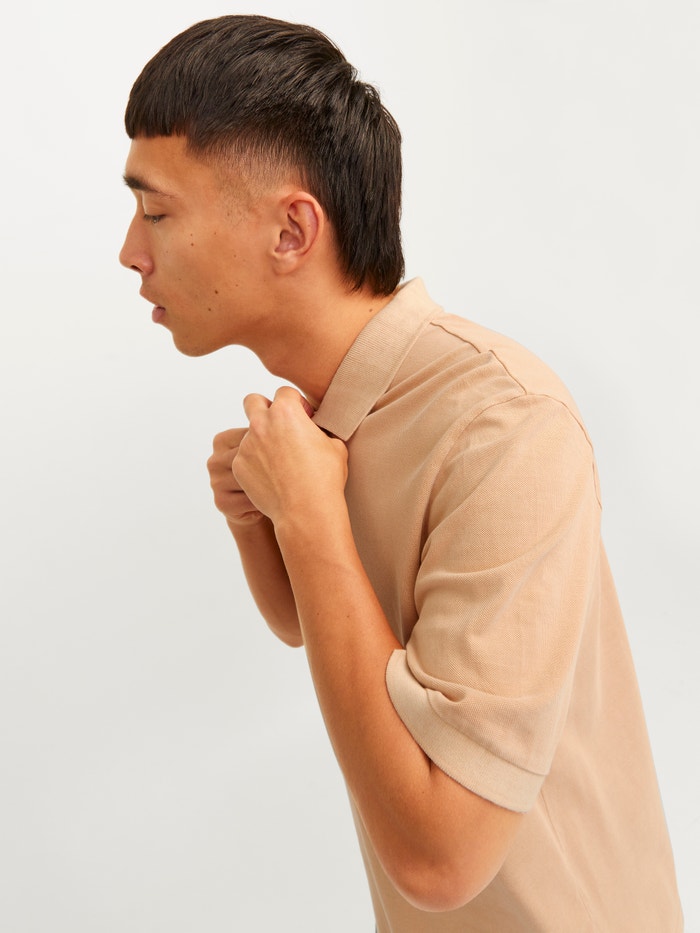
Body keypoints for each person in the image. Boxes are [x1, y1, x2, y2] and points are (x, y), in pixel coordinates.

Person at [119, 15, 682, 931]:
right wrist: (267, 519)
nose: (130, 252)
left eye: (156, 212)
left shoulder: (503, 425)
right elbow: (315, 623)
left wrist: (309, 516)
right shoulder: (330, 414)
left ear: (292, 230)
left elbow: (439, 855)